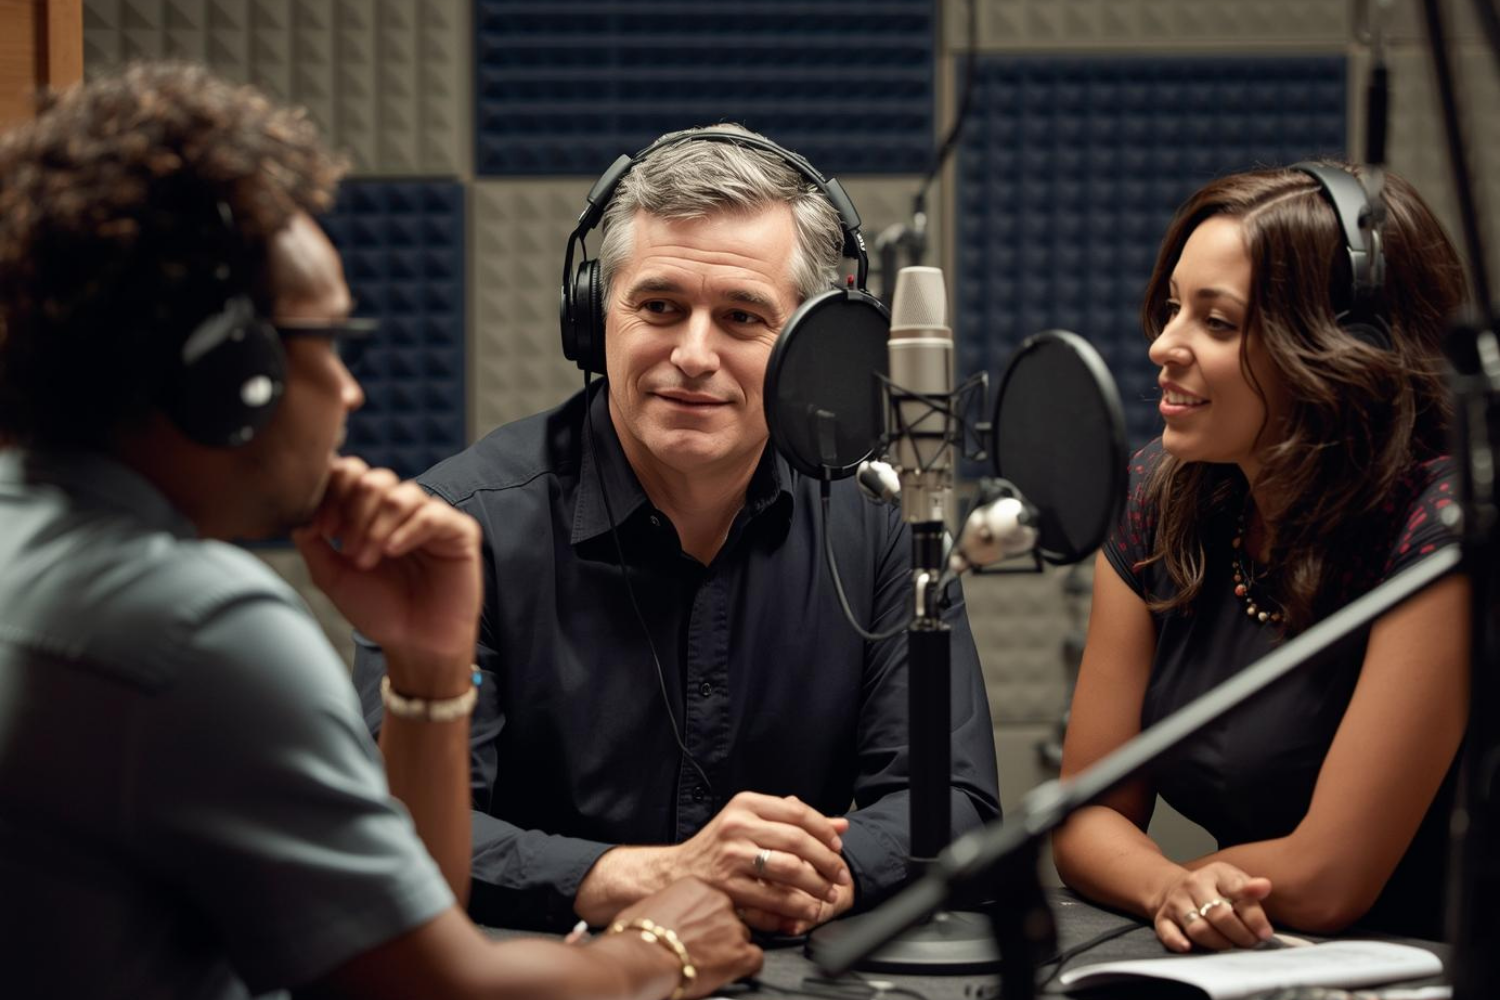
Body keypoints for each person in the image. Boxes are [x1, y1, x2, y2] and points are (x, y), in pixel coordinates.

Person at [0, 63, 760, 999]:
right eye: (328, 342)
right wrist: (656, 949)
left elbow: (410, 913)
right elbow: (431, 992)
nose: (353, 391)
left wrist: (431, 673)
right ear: (228, 371)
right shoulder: (196, 630)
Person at [353, 125, 1001, 934]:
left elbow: (953, 800)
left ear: (812, 345)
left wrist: (818, 873)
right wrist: (644, 877)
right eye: (660, 306)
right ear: (593, 317)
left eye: (741, 317)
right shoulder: (458, 532)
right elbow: (398, 844)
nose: (694, 355)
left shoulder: (883, 520)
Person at [1052, 163, 1470, 949]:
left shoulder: (1442, 526)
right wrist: (1176, 886)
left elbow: (1329, 880)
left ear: (1342, 348)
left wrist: (1192, 889)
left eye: (1217, 322)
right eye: (1174, 308)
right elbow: (1085, 815)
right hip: (1260, 954)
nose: (1162, 347)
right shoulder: (1162, 497)